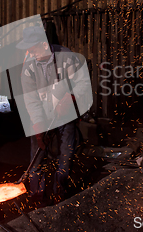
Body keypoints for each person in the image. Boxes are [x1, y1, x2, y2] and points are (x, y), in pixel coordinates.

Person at [16, 25, 91, 206]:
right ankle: (37, 197)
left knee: (66, 154)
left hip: (66, 114)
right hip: (42, 113)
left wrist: (71, 97)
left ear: (43, 44)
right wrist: (39, 126)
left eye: (32, 47)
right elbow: (31, 100)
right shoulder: (28, 68)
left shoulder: (67, 57)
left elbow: (83, 83)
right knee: (37, 157)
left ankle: (61, 192)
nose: (29, 51)